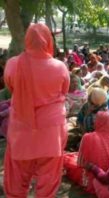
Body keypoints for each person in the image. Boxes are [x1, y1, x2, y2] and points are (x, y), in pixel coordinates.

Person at [3, 23, 70, 197]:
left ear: (27, 40)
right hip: (51, 132)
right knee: (49, 177)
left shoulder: (13, 64)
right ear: (49, 41)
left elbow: (11, 88)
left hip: (21, 130)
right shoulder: (60, 67)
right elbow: (64, 91)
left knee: (17, 176)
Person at [78, 111, 109, 195]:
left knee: (69, 160)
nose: (94, 122)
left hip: (93, 182)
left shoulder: (88, 137)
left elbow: (80, 163)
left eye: (96, 119)